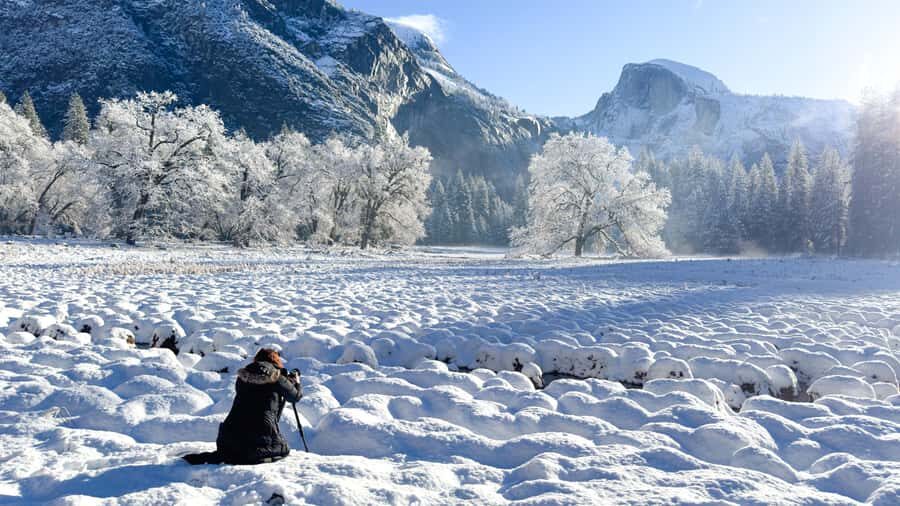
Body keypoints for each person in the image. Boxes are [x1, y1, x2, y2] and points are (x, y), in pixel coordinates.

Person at [183, 348, 302, 465]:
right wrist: (295, 382)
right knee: (284, 448)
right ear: (276, 362)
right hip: (259, 438)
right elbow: (295, 397)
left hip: (227, 439)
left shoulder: (243, 376)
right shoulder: (277, 377)